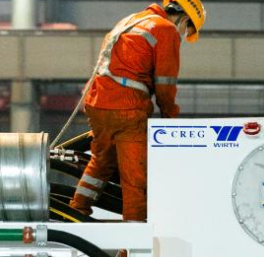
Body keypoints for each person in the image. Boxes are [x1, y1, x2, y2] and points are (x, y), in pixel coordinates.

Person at [69, 0, 206, 222]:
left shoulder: (131, 20)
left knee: (102, 162)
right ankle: (131, 248)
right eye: (187, 29)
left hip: (97, 104)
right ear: (183, 18)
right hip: (127, 109)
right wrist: (170, 119)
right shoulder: (165, 29)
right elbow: (165, 83)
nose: (183, 34)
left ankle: (75, 212)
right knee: (135, 181)